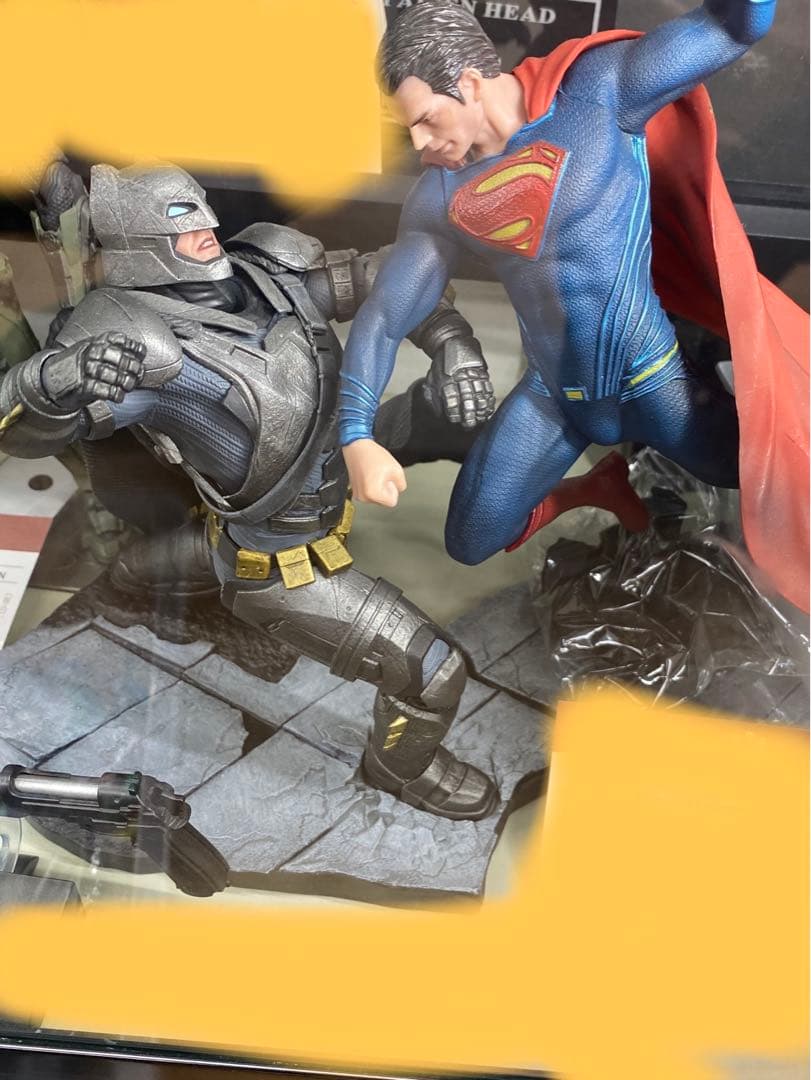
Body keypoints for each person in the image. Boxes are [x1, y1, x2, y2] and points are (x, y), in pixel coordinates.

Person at [0, 162, 501, 820]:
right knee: (434, 673)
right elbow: (21, 432)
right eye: (184, 226)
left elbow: (403, 279)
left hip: (299, 487)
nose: (207, 228)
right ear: (143, 245)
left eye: (203, 213)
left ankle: (129, 578)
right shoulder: (137, 344)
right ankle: (400, 768)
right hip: (279, 563)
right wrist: (55, 379)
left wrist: (453, 344)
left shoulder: (269, 270)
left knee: (156, 564)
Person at [339, 0, 809, 612]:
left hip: (652, 378)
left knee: (766, 475)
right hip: (556, 398)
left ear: (471, 83)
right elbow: (383, 318)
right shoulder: (440, 198)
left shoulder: (597, 93)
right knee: (471, 538)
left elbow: (735, 26)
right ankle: (599, 488)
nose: (420, 144)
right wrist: (356, 434)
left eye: (427, 120)